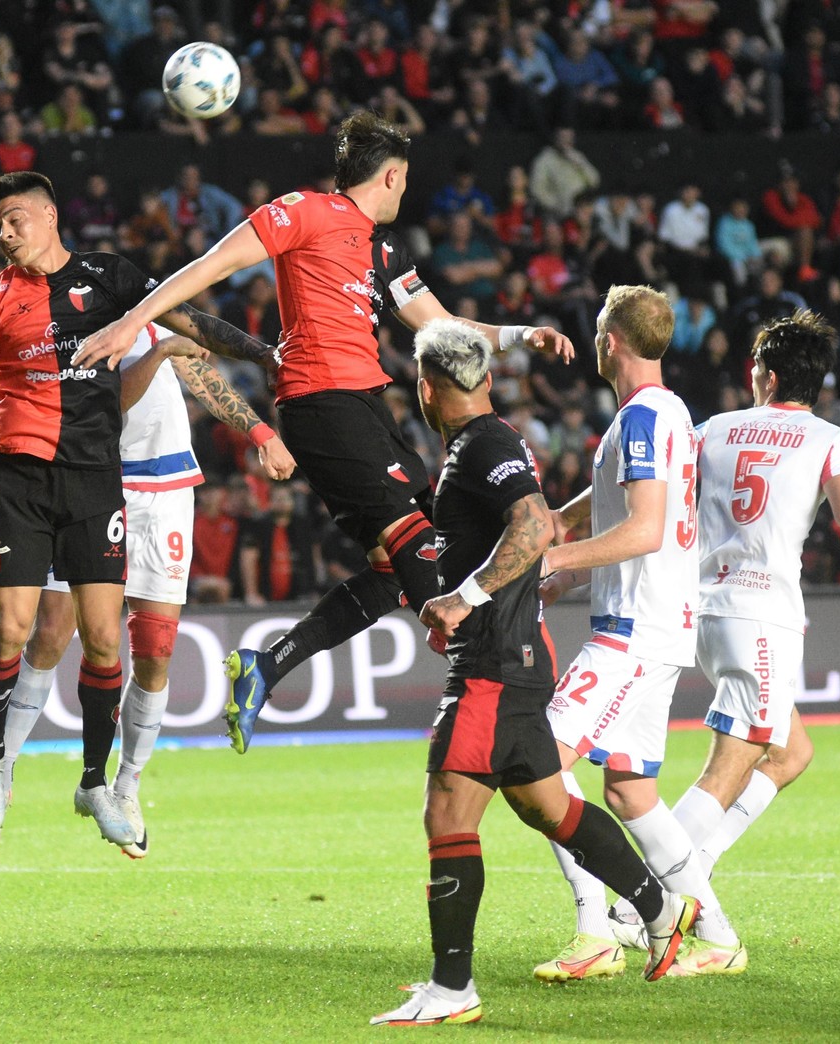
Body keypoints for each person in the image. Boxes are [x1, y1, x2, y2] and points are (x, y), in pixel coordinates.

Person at [73, 112, 574, 754]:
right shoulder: (302, 212)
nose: (403, 192)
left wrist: (518, 335)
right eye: (404, 181)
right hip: (320, 402)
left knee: (399, 565)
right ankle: (483, 675)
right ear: (390, 176)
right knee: (416, 541)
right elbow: (211, 265)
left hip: (366, 403)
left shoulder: (382, 249)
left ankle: (270, 664)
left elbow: (443, 325)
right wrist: (130, 322)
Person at [0, 171, 276, 853]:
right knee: (15, 632)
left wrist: (264, 352)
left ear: (48, 216)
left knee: (105, 641)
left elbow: (189, 322)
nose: (5, 235)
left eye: (13, 220)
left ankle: (100, 782)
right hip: (23, 480)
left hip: (98, 481)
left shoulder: (112, 280)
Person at [372, 321, 698, 1027]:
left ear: (425, 390)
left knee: (447, 811)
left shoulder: (483, 445)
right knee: (545, 806)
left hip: (492, 664)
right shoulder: (489, 440)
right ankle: (659, 905)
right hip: (516, 655)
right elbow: (520, 525)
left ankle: (452, 987)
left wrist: (464, 597)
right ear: (484, 381)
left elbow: (533, 526)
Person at [604, 310, 840, 974]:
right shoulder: (828, 438)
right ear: (816, 382)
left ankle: (688, 872)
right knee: (726, 769)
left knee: (790, 753)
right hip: (759, 613)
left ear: (759, 373)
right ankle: (636, 905)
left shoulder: (711, 429)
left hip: (701, 605)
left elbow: (651, 495)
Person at [0, 323, 296, 857]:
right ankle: (1, 766)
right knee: (50, 634)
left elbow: (200, 373)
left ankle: (126, 787)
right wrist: (159, 353)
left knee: (155, 651)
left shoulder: (150, 306)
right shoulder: (58, 325)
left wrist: (260, 434)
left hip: (165, 486)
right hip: (92, 478)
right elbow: (110, 400)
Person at [531, 285, 742, 980]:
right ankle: (715, 935)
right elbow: (624, 498)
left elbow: (645, 527)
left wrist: (556, 557)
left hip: (632, 631)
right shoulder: (667, 412)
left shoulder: (642, 420)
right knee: (627, 790)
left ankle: (596, 931)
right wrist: (561, 525)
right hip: (658, 624)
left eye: (597, 330)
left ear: (611, 339)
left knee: (539, 768)